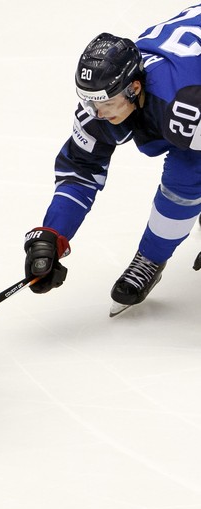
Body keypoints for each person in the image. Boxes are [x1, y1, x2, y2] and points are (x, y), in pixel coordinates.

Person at [23, 4, 201, 316]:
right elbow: (80, 171)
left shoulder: (182, 103)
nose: (97, 113)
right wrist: (53, 234)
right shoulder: (106, 104)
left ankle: (151, 257)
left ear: (134, 88)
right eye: (88, 100)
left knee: (186, 174)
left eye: (104, 102)